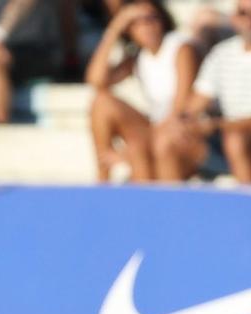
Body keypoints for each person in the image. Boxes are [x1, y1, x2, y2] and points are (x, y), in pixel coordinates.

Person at [86, 0, 200, 182]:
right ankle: (103, 182)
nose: (146, 26)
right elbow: (96, 81)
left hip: (185, 133)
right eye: (136, 22)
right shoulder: (138, 56)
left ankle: (147, 199)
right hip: (157, 129)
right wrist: (113, 30)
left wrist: (127, 153)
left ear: (163, 19)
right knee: (101, 103)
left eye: (151, 18)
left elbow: (180, 110)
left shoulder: (181, 48)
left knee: (143, 148)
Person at [183, 0, 251, 184]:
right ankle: (167, 209)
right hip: (225, 133)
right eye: (244, 13)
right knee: (168, 139)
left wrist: (217, 126)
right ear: (234, 18)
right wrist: (189, 123)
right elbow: (194, 106)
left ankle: (249, 208)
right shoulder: (222, 53)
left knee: (236, 140)